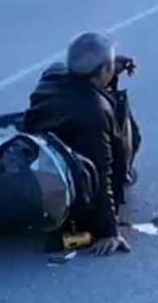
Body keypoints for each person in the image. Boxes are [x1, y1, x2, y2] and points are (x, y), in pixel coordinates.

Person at [21, 32, 138, 256]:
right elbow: (103, 172)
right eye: (109, 66)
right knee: (87, 233)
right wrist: (108, 232)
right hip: (74, 180)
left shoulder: (53, 75)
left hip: (44, 155)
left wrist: (113, 68)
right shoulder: (95, 111)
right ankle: (72, 238)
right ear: (102, 71)